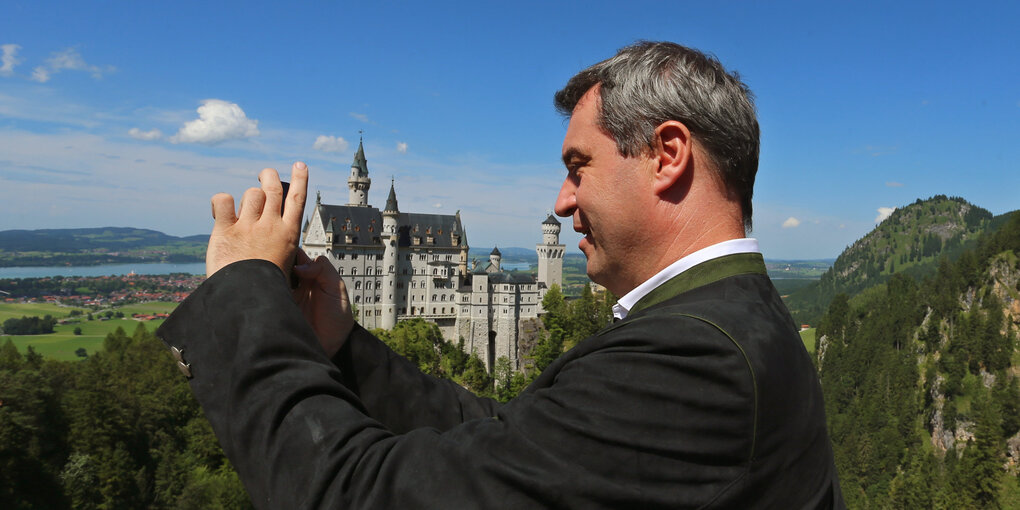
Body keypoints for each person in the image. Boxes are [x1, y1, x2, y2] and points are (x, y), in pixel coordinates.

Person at [158, 41, 844, 509]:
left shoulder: (698, 361)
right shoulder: (728, 323)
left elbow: (357, 493)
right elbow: (511, 437)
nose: (560, 201)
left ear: (667, 155)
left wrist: (245, 295)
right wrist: (345, 346)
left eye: (579, 168)